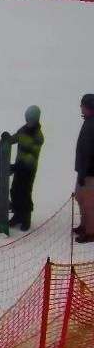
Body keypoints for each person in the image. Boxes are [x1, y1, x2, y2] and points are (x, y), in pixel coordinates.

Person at [3, 106, 44, 231]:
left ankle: (26, 217)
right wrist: (7, 138)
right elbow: (15, 139)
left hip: (29, 170)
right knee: (14, 191)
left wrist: (17, 166)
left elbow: (32, 155)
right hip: (19, 168)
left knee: (25, 193)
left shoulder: (38, 136)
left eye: (31, 120)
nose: (29, 123)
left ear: (36, 120)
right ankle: (18, 215)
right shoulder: (23, 130)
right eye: (28, 120)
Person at [75, 94, 94, 243]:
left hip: (89, 173)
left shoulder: (92, 125)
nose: (81, 108)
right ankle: (84, 225)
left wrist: (83, 172)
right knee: (80, 198)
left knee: (89, 203)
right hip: (83, 171)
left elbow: (89, 151)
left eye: (83, 105)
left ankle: (91, 232)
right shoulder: (88, 121)